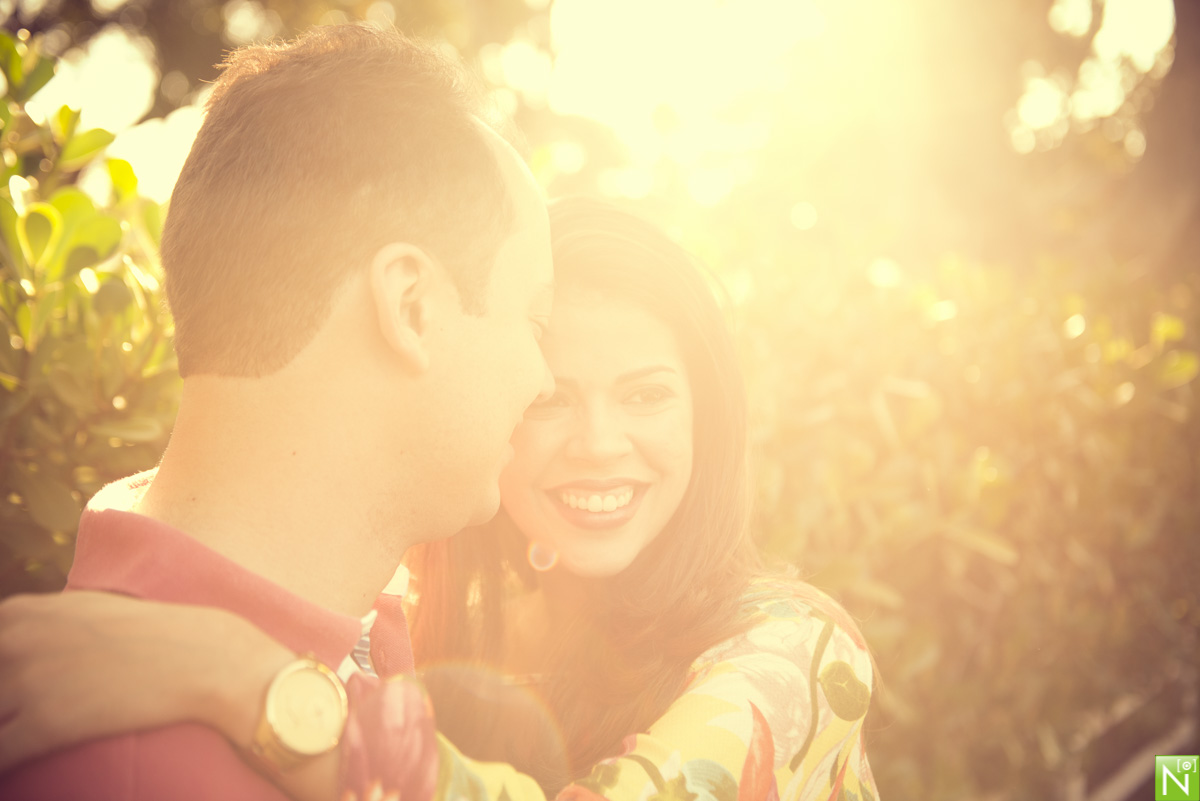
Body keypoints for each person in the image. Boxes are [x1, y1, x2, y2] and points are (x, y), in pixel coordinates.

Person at [0, 199, 879, 801]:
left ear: (706, 417)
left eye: (647, 394)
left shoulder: (797, 653)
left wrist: (245, 679)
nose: (601, 442)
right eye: (550, 398)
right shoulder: (420, 620)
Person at [0, 22, 558, 799]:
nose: (544, 378)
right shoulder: (138, 769)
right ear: (413, 307)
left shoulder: (346, 652)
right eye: (533, 320)